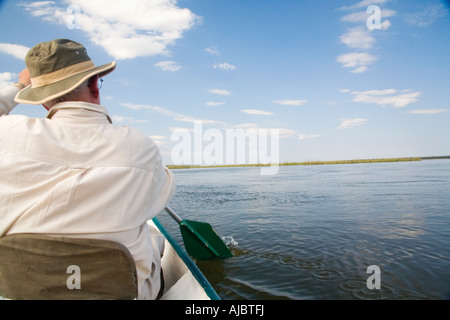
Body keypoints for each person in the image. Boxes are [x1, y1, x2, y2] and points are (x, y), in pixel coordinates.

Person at [0, 39, 176, 300]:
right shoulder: (139, 145)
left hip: (20, 291)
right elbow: (162, 194)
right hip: (124, 293)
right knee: (152, 236)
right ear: (95, 84)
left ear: (43, 100)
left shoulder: (7, 134)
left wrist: (20, 84)